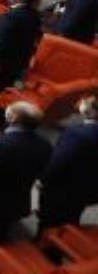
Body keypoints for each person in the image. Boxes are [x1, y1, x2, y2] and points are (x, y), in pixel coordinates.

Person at [0, 102, 52, 246]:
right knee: (0, 233)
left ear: (13, 118)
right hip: (18, 201)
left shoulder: (2, 145)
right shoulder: (45, 144)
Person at [39, 95, 98, 228]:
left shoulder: (77, 135)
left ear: (93, 112)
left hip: (63, 190)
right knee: (72, 218)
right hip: (88, 190)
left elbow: (58, 163)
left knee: (49, 225)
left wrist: (43, 179)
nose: (82, 104)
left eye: (86, 103)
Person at [0, 0, 42, 88]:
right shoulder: (35, 15)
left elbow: (1, 42)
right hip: (19, 61)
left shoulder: (10, 17)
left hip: (2, 62)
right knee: (6, 85)